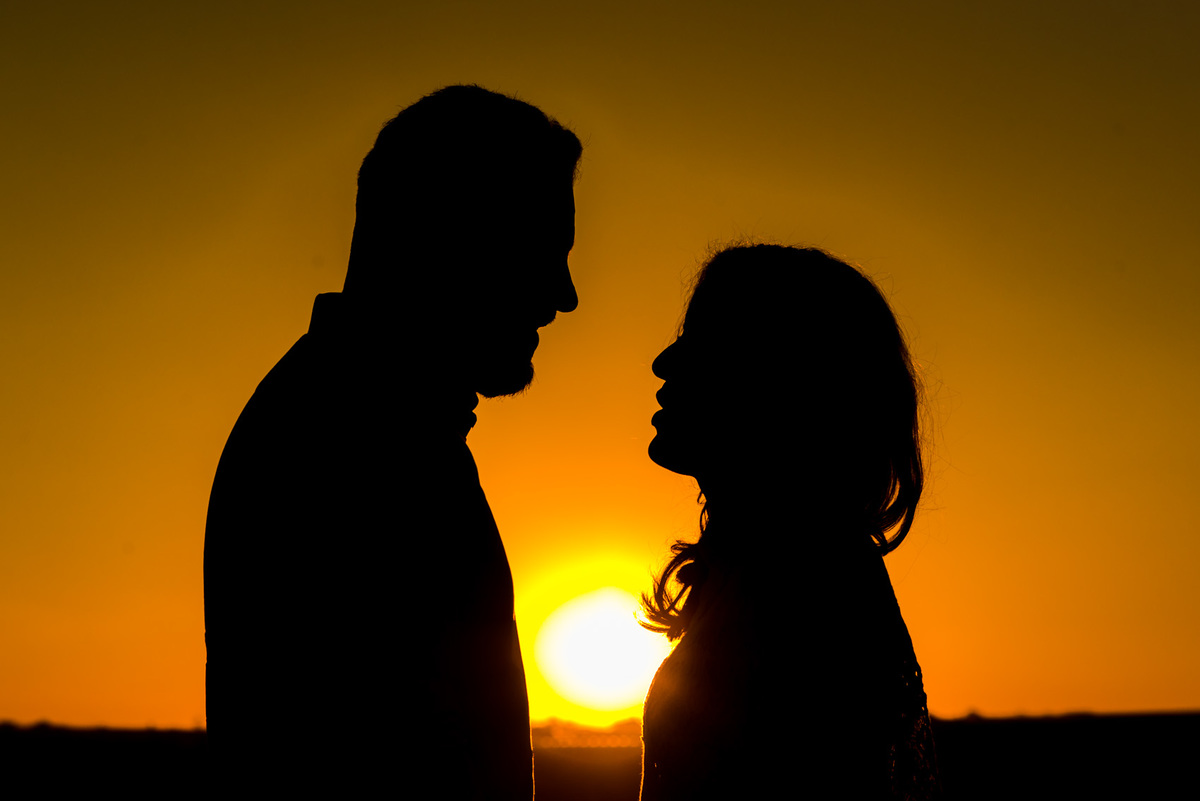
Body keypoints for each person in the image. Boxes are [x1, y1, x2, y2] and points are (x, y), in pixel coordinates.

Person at [203, 85, 581, 797]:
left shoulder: (379, 427)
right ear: (448, 237)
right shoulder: (346, 449)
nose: (563, 295)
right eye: (540, 249)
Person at [639, 245, 940, 799]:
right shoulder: (762, 576)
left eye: (701, 342)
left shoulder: (808, 591)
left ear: (775, 379)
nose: (664, 363)